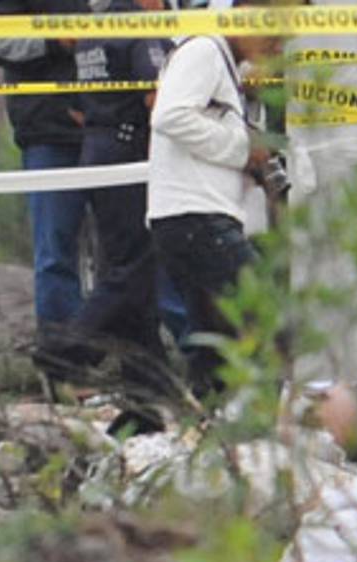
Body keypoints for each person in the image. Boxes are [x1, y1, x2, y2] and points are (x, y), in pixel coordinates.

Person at [38, 0, 178, 398]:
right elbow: (157, 99)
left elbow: (75, 107)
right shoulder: (140, 29)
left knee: (129, 267)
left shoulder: (92, 32)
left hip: (96, 150)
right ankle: (63, 351)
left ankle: (148, 382)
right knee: (134, 268)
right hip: (131, 154)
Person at [146, 0, 279, 397]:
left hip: (191, 218)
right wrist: (242, 150)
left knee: (215, 343)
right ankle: (258, 417)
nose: (275, 47)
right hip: (197, 219)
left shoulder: (219, 59)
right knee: (261, 315)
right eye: (272, 34)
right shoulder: (204, 49)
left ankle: (210, 418)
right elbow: (169, 116)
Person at [0, 0, 90, 338]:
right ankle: (63, 353)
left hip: (115, 123)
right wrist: (53, 40)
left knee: (127, 246)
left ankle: (131, 351)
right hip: (48, 127)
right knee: (55, 249)